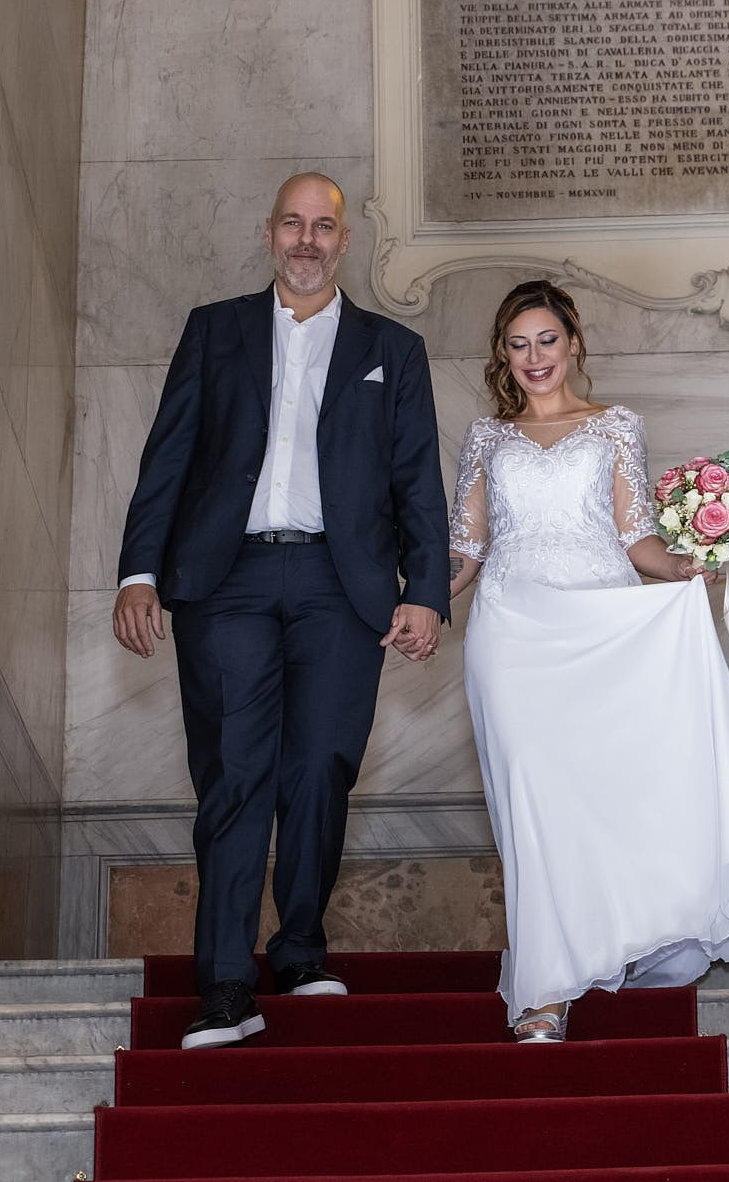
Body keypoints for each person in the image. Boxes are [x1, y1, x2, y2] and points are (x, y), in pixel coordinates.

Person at [112, 173, 449, 1049]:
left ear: (345, 241)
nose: (307, 239)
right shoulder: (214, 329)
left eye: (324, 226)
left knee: (320, 767)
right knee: (235, 772)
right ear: (270, 234)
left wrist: (427, 593)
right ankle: (225, 985)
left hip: (346, 590)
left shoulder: (393, 349)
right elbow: (167, 458)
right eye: (294, 224)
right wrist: (137, 572)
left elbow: (417, 480)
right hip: (227, 581)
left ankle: (299, 950)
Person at [448, 280, 729, 1042]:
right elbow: (468, 545)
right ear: (503, 354)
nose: (535, 356)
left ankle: (597, 945)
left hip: (602, 624)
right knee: (531, 791)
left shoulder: (615, 428)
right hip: (510, 629)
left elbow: (634, 535)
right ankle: (543, 989)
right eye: (518, 343)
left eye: (547, 339)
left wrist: (683, 565)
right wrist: (421, 599)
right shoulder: (485, 437)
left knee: (596, 797)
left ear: (572, 342)